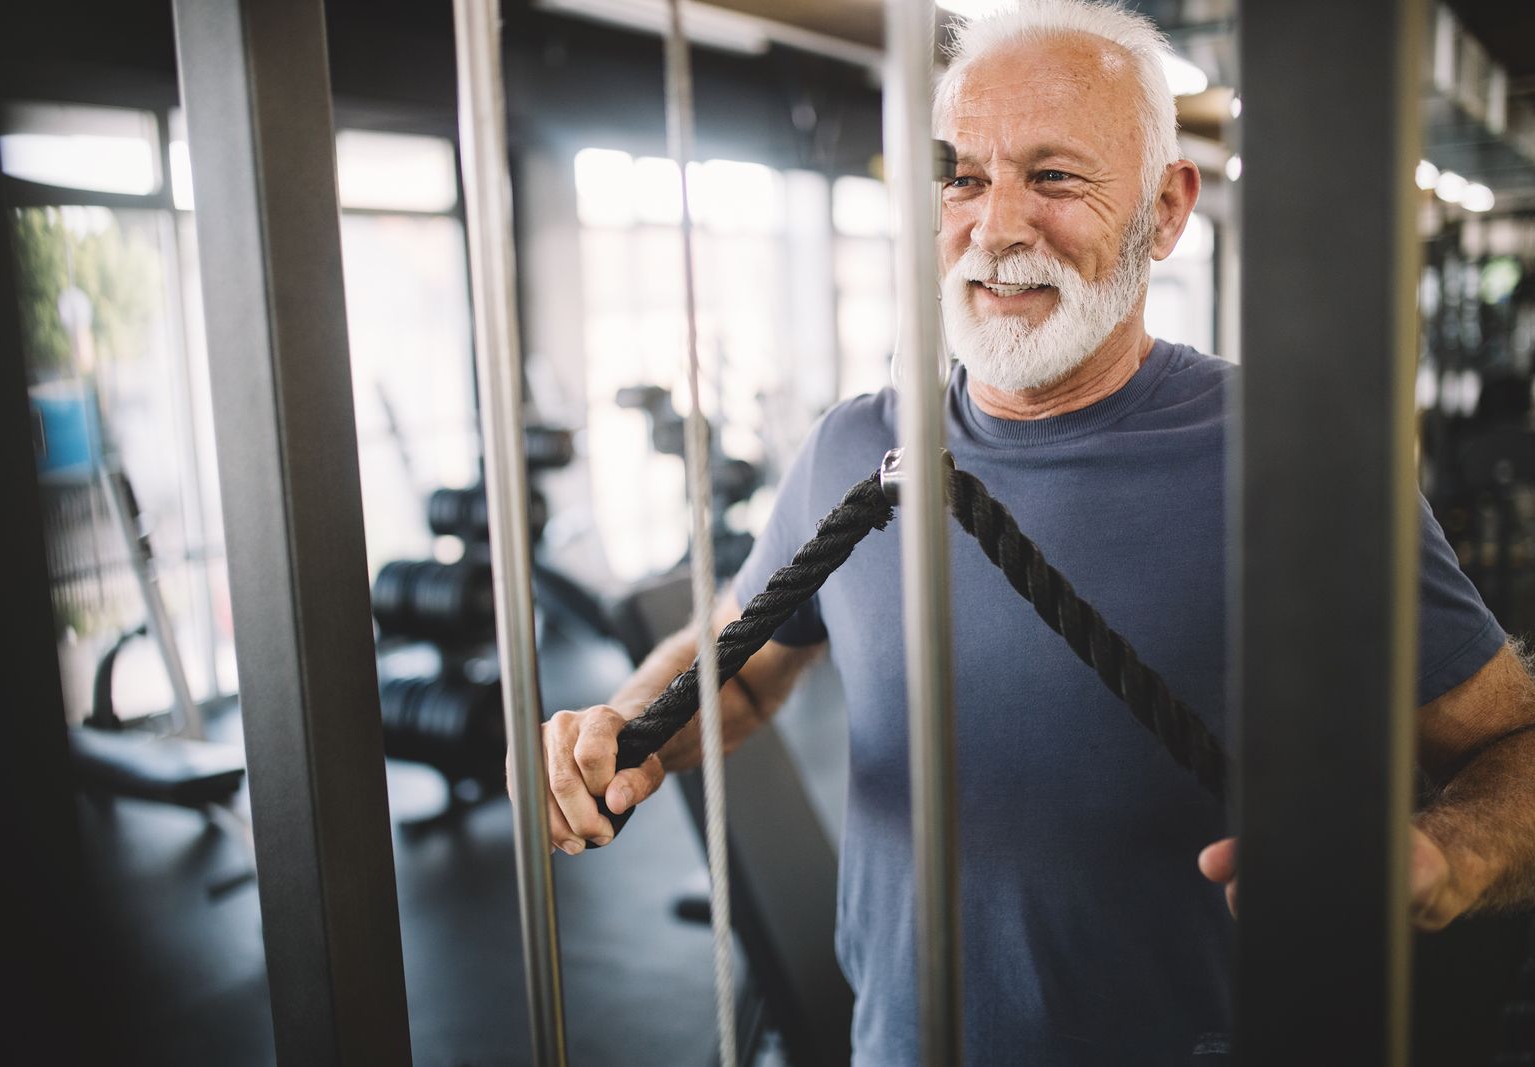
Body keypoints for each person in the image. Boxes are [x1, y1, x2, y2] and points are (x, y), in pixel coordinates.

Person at [537, 1, 1535, 1062]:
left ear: (1164, 209)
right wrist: (628, 726)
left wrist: (1439, 857)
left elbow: (1512, 741)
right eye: (961, 177)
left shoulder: (1294, 462)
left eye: (1053, 176)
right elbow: (739, 663)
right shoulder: (854, 447)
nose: (996, 225)